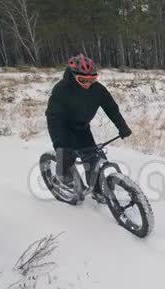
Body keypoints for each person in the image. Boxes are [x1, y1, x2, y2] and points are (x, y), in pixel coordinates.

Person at [45, 54, 132, 203]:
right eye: (83, 80)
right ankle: (66, 183)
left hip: (81, 128)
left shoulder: (98, 90)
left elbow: (111, 109)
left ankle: (98, 192)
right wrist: (60, 144)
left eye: (92, 79)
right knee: (65, 157)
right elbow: (54, 118)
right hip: (62, 127)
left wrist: (122, 127)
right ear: (73, 76)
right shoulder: (61, 90)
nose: (88, 83)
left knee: (93, 159)